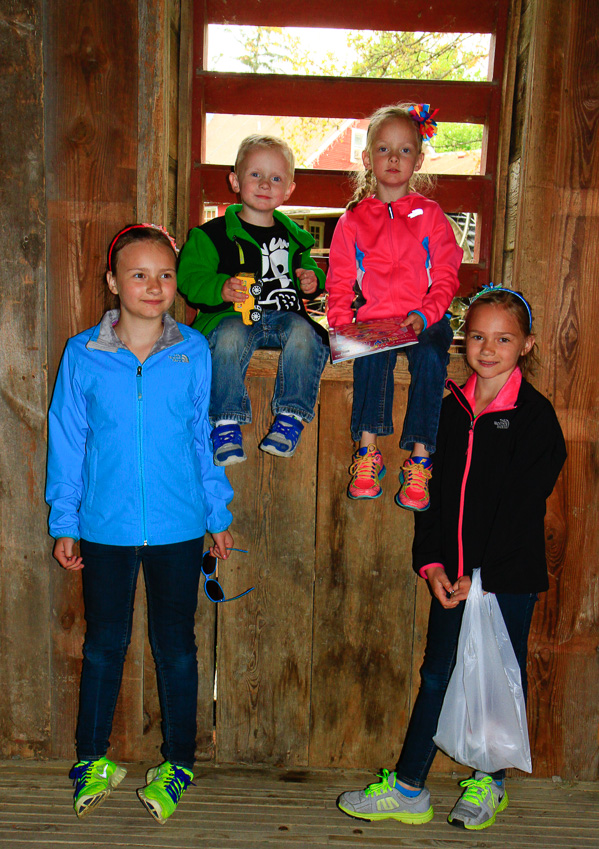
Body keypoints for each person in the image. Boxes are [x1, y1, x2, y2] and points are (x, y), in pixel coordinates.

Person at [337, 287, 567, 830]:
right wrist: (434, 565)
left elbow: (519, 509)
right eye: (478, 337)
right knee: (437, 673)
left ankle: (490, 782)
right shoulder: (446, 411)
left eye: (504, 339)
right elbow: (429, 501)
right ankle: (411, 788)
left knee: (497, 677)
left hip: (504, 579)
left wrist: (479, 577)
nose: (488, 349)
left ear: (526, 345)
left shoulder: (535, 418)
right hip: (451, 577)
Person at [46, 224, 235, 823]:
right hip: (105, 528)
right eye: (139, 274)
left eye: (165, 275)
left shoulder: (193, 351)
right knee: (105, 645)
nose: (154, 286)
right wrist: (65, 520)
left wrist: (217, 511)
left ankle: (178, 762)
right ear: (113, 282)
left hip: (180, 528)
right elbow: (68, 441)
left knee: (176, 647)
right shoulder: (83, 354)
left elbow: (204, 438)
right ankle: (91, 759)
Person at [326, 103, 463, 509]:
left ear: (418, 160)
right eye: (384, 149)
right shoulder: (352, 219)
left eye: (405, 151)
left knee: (431, 356)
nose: (393, 158)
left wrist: (427, 313)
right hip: (378, 319)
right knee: (370, 355)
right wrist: (340, 325)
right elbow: (338, 279)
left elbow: (446, 274)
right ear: (368, 158)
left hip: (426, 317)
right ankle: (368, 451)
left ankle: (420, 458)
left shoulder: (432, 216)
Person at [177, 135, 329, 466]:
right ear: (235, 181)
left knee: (307, 334)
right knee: (228, 337)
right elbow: (188, 278)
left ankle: (291, 418)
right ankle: (226, 424)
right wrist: (220, 287)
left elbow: (310, 273)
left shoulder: (295, 238)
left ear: (289, 189)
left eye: (276, 178)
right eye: (255, 175)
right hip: (234, 317)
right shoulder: (211, 234)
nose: (264, 185)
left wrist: (311, 281)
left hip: (286, 316)